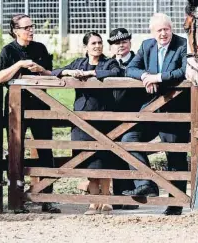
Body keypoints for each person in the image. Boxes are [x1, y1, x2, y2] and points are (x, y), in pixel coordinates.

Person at [123, 13, 190, 216]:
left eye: (166, 29)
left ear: (172, 29)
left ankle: (175, 203)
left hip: (175, 110)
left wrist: (157, 77)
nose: (163, 33)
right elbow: (130, 68)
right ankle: (146, 183)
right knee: (129, 138)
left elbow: (185, 71)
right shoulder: (147, 46)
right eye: (159, 30)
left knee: (175, 157)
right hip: (152, 109)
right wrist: (144, 76)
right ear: (152, 32)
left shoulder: (183, 44)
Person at [52, 32, 124, 215]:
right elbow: (53, 72)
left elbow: (116, 73)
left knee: (106, 158)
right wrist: (69, 72)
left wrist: (91, 74)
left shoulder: (110, 62)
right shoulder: (78, 63)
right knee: (90, 160)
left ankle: (106, 200)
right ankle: (93, 202)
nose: (97, 46)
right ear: (86, 46)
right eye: (93, 43)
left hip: (104, 117)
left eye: (99, 43)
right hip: (82, 118)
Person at [0, 14, 61, 213]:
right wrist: (19, 65)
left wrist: (40, 69)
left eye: (32, 27)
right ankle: (17, 200)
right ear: (15, 31)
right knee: (16, 151)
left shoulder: (40, 48)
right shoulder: (8, 51)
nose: (30, 30)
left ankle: (47, 198)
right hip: (17, 109)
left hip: (41, 105)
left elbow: (52, 76)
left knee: (45, 150)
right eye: (26, 28)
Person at [106, 27, 147, 209]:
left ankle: (132, 200)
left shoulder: (139, 62)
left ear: (130, 42)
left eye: (123, 41)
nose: (120, 45)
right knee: (114, 155)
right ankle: (118, 198)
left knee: (129, 148)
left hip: (135, 114)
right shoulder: (107, 64)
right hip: (112, 116)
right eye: (115, 43)